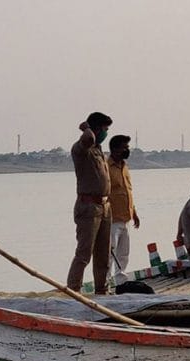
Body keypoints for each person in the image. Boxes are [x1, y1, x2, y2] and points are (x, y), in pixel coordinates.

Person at [66, 112, 113, 294]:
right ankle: (74, 291)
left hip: (104, 206)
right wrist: (86, 128)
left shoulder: (99, 150)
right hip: (88, 207)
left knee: (103, 255)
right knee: (84, 253)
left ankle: (102, 289)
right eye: (104, 129)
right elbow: (87, 138)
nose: (106, 133)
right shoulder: (81, 149)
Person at [107, 134, 139, 287]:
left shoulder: (124, 167)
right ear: (115, 149)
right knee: (109, 252)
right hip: (112, 218)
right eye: (124, 147)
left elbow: (128, 192)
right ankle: (105, 281)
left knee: (123, 253)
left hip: (126, 217)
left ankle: (120, 279)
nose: (127, 150)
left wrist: (135, 213)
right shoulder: (107, 167)